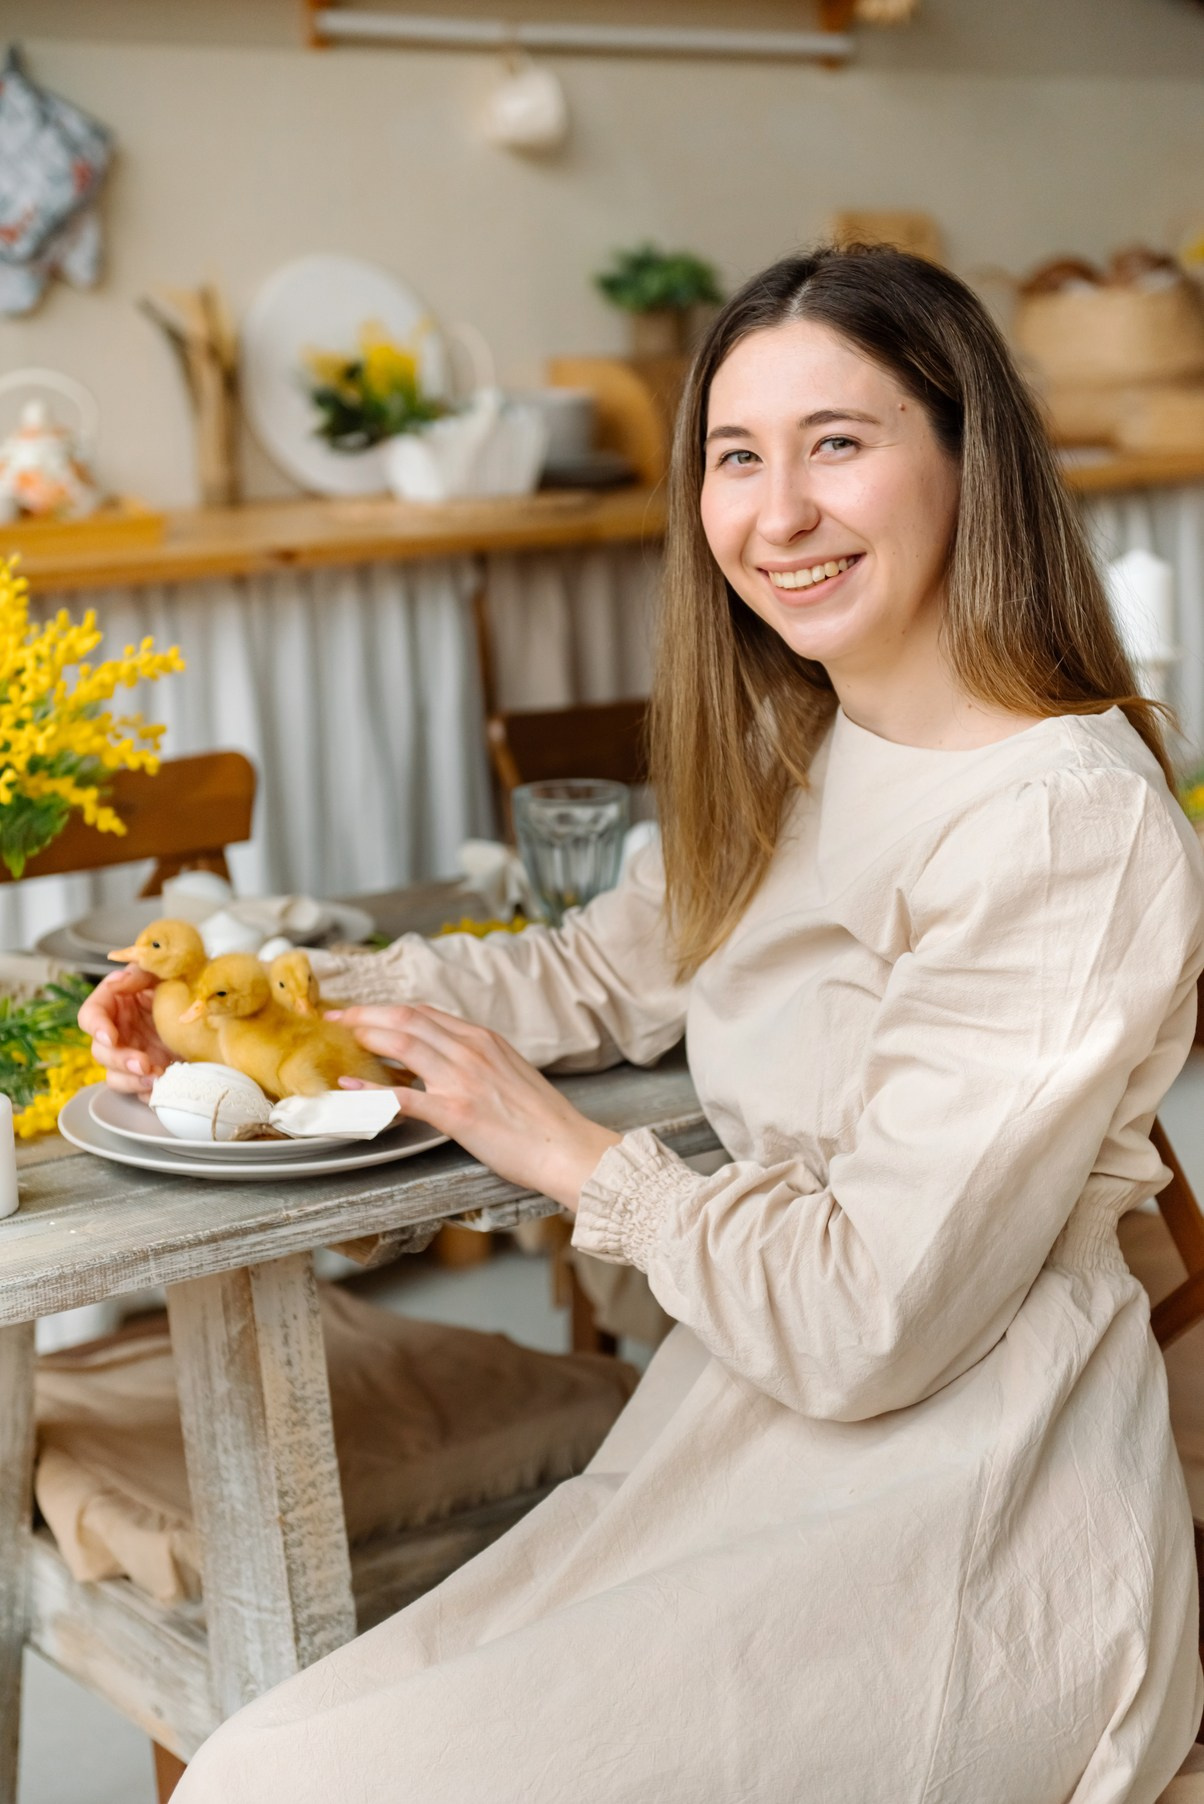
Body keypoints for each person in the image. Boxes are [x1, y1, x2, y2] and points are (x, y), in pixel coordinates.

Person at [82, 244, 1204, 1802]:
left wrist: (572, 1159)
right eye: (735, 458)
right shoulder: (804, 737)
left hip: (963, 1512)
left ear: (970, 458)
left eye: (840, 443)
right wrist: (244, 1008)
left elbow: (871, 1320)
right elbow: (594, 975)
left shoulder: (1065, 824)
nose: (777, 512)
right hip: (734, 1442)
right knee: (261, 1766)